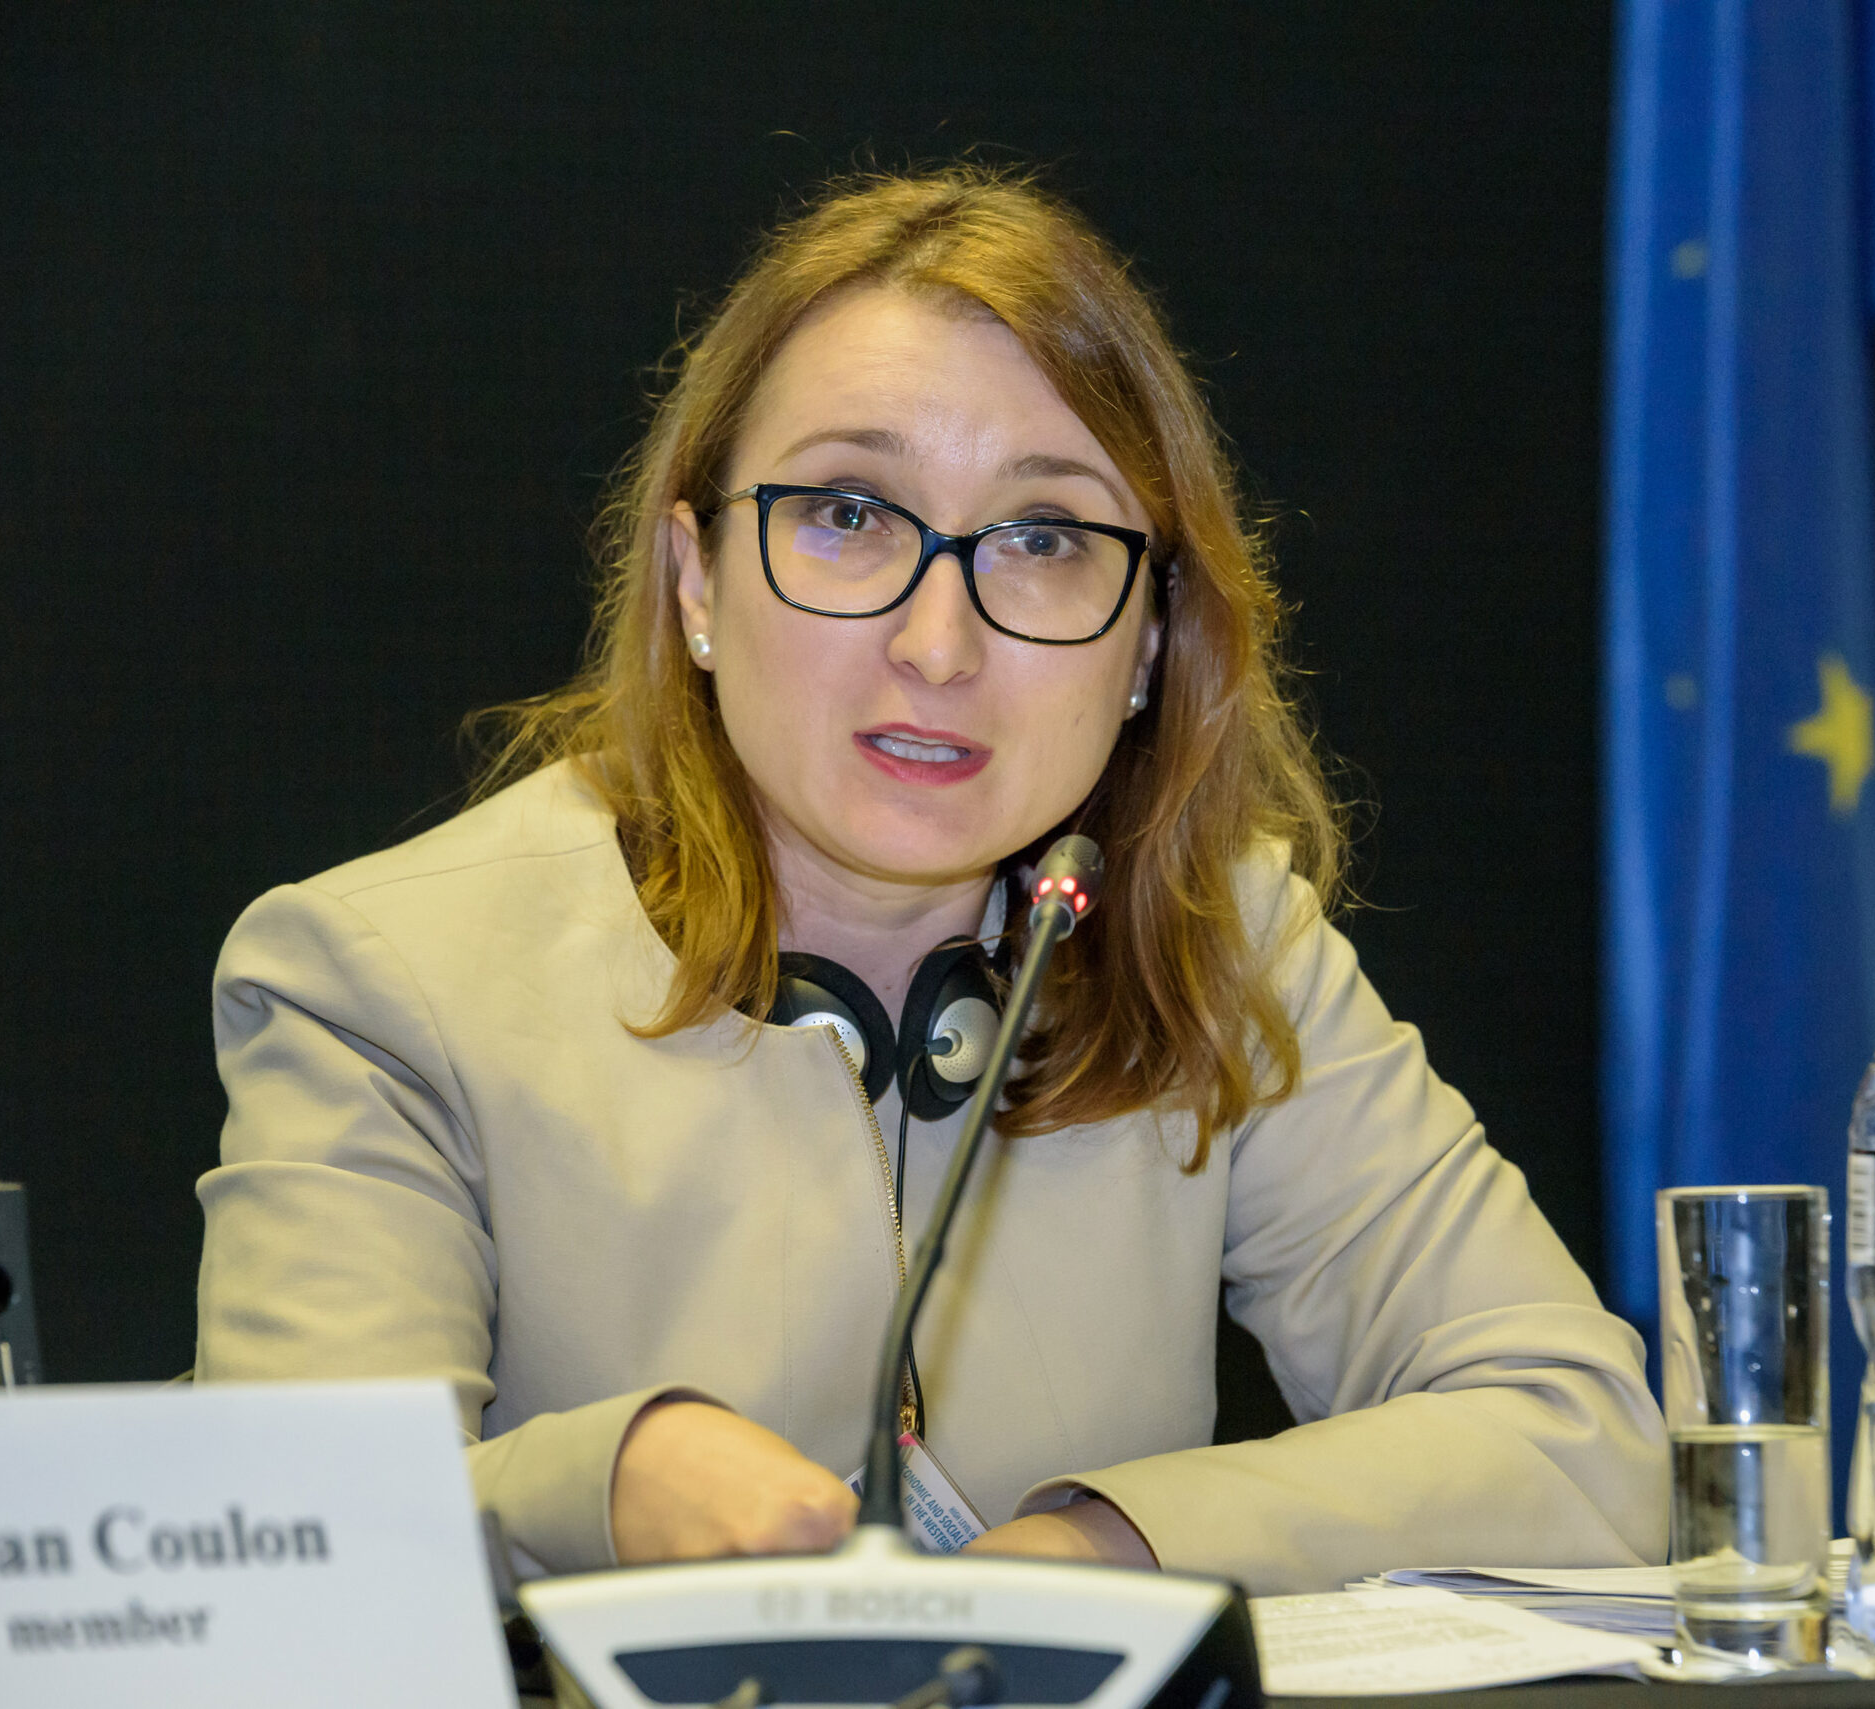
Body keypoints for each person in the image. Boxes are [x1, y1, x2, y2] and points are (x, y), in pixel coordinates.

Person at [193, 167, 1665, 1595]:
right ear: (697, 580)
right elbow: (272, 1547)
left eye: (1042, 539)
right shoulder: (387, 983)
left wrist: (1110, 1548)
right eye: (848, 512)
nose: (939, 645)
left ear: (1147, 642)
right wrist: (605, 1480)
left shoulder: (1223, 942)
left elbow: (1579, 1437)